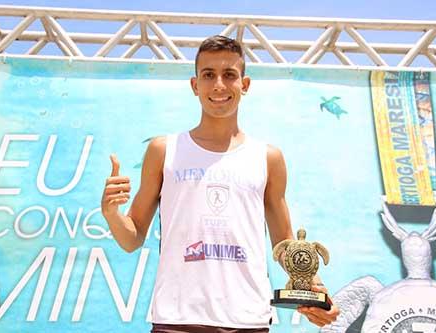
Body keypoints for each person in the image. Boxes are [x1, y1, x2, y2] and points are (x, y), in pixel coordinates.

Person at [101, 35, 339, 332]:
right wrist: (111, 212)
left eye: (229, 75)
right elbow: (131, 238)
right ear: (194, 85)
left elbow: (284, 244)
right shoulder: (164, 150)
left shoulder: (268, 158)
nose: (219, 85)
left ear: (245, 84)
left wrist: (315, 290)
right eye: (208, 75)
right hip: (177, 319)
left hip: (247, 320)